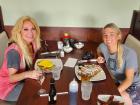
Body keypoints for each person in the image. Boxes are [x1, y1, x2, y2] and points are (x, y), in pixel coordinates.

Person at [0, 16, 42, 101]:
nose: (30, 33)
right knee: (39, 95)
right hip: (8, 88)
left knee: (44, 87)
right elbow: (11, 78)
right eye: (25, 29)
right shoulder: (14, 52)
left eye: (33, 29)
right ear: (19, 31)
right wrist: (28, 74)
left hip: (21, 81)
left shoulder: (31, 43)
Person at [97, 23, 140, 105]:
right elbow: (98, 49)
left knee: (117, 99)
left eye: (111, 34)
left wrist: (113, 93)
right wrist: (100, 57)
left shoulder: (129, 53)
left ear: (119, 36)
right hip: (119, 82)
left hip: (135, 85)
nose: (108, 38)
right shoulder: (103, 46)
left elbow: (129, 80)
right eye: (105, 35)